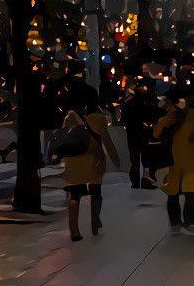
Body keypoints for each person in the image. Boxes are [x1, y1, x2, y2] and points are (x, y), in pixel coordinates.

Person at [59, 97, 120, 242]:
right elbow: (106, 141)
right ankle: (95, 220)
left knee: (74, 196)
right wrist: (115, 158)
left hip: (74, 161)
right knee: (95, 192)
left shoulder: (69, 118)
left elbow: (62, 138)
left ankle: (74, 231)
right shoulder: (99, 118)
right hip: (94, 160)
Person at [153, 87, 194, 232]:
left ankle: (179, 221)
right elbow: (157, 132)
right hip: (180, 160)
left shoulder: (176, 114)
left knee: (177, 192)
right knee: (185, 192)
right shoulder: (177, 114)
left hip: (177, 160)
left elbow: (157, 132)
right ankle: (186, 220)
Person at [120, 77, 159, 190]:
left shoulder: (128, 103)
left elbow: (123, 121)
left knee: (134, 159)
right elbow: (153, 118)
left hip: (132, 134)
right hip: (146, 134)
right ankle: (146, 182)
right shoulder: (149, 103)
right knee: (147, 160)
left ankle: (135, 183)